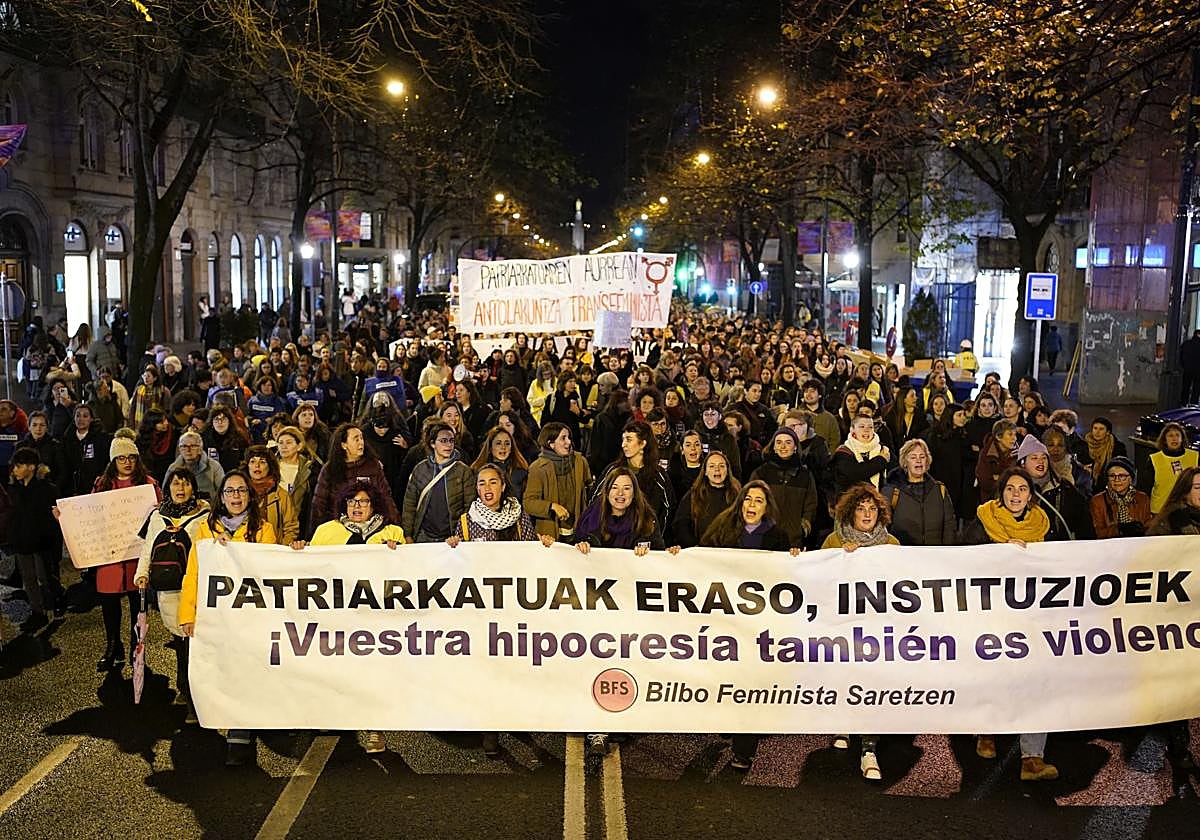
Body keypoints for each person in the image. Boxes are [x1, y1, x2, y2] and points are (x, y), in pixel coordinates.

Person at [961, 467, 1058, 781]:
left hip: (1033, 617)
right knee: (994, 677)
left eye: (1022, 489)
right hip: (992, 616)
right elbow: (962, 565)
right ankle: (987, 733)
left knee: (1036, 681)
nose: (1016, 495)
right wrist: (1001, 554)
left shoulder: (1044, 525)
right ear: (1000, 493)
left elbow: (1061, 565)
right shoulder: (983, 523)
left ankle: (1032, 757)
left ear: (1031, 495)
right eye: (1010, 489)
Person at [698, 479, 799, 771]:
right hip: (727, 620)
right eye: (748, 500)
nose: (751, 506)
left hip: (758, 624)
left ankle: (744, 749)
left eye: (758, 501)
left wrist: (792, 560)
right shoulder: (722, 528)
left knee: (751, 682)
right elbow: (701, 559)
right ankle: (731, 723)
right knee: (728, 677)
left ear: (766, 508)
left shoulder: (778, 537)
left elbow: (785, 578)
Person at [178, 470, 277, 765]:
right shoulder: (205, 531)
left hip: (250, 614)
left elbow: (270, 570)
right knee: (225, 670)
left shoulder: (265, 529)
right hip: (218, 615)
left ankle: (239, 733)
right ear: (221, 498)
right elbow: (193, 574)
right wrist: (188, 613)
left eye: (241, 491)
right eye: (230, 491)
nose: (236, 497)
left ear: (250, 496)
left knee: (246, 670)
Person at [820, 482, 900, 780]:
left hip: (877, 629)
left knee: (873, 684)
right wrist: (840, 560)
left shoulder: (891, 543)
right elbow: (819, 581)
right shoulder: (833, 541)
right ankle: (843, 722)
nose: (867, 514)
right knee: (846, 677)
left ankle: (868, 748)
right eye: (860, 508)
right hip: (843, 626)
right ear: (849, 513)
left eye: (872, 509)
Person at [133, 467, 211, 717]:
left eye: (185, 484)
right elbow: (148, 548)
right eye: (176, 484)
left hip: (196, 586)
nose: (180, 489)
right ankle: (184, 686)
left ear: (193, 487)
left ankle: (196, 693)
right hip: (168, 588)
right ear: (168, 488)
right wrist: (142, 573)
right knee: (180, 641)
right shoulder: (158, 515)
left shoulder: (205, 514)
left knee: (196, 640)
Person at [89, 434, 162, 671]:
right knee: (109, 605)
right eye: (121, 458)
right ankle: (112, 646)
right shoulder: (102, 484)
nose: (127, 463)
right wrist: (65, 518)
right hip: (109, 557)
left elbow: (159, 516)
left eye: (131, 457)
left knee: (137, 605)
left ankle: (135, 646)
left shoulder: (148, 484)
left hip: (136, 556)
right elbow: (87, 516)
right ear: (113, 461)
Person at [4, 447, 61, 631]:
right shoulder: (15, 488)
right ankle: (38, 613)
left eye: (19, 466)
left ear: (31, 466)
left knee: (45, 577)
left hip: (40, 543)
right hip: (21, 541)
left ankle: (55, 602)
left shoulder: (46, 489)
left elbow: (52, 519)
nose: (14, 469)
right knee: (28, 579)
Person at [310, 423, 399, 531]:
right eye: (356, 439)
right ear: (344, 445)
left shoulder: (373, 465)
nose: (361, 442)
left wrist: (396, 525)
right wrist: (315, 533)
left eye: (361, 438)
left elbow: (386, 497)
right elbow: (319, 504)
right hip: (339, 528)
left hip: (371, 527)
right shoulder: (329, 469)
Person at [401, 421, 474, 542]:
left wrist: (460, 535)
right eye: (444, 440)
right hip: (423, 536)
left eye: (451, 441)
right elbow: (409, 505)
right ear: (432, 443)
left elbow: (469, 507)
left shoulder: (463, 471)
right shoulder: (420, 469)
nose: (449, 445)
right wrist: (408, 535)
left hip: (452, 538)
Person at [593, 421, 674, 531]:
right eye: (623, 439)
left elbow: (668, 511)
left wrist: (656, 538)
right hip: (612, 539)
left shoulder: (658, 476)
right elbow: (594, 501)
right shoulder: (613, 471)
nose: (623, 444)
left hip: (646, 540)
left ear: (643, 443)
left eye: (629, 440)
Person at [525, 422, 593, 543]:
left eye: (569, 438)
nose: (568, 442)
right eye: (563, 438)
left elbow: (590, 491)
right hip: (550, 537)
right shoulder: (538, 468)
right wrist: (552, 506)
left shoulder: (580, 462)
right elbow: (528, 503)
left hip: (579, 533)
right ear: (551, 444)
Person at [750, 427, 816, 549]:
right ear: (773, 447)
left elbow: (811, 505)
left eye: (788, 442)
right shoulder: (761, 473)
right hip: (764, 537)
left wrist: (803, 527)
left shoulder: (805, 475)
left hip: (794, 540)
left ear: (795, 446)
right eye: (779, 442)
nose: (783, 446)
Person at [883, 439, 957, 545]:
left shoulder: (940, 490)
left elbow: (949, 525)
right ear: (905, 462)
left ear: (927, 461)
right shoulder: (892, 491)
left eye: (922, 457)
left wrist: (947, 551)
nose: (919, 461)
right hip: (904, 556)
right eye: (913, 457)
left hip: (936, 555)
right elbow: (883, 527)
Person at [670, 451, 740, 549]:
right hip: (700, 553)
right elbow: (681, 524)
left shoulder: (738, 495)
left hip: (730, 552)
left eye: (721, 466)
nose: (717, 469)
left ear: (728, 470)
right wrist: (695, 547)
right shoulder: (694, 494)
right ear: (705, 472)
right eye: (712, 466)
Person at [243, 445, 299, 545]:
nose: (257, 465)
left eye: (262, 462)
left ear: (270, 466)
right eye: (252, 461)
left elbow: (291, 528)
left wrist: (280, 551)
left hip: (273, 550)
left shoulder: (281, 495)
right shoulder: (240, 493)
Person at [1142, 422, 1197, 514]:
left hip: (1188, 510)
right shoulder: (1154, 459)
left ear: (1182, 438)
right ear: (1164, 440)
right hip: (1160, 511)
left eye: (1177, 435)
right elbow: (1145, 487)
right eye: (1170, 435)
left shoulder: (1194, 457)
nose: (1174, 439)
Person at [1090, 456, 1151, 538]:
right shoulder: (1098, 501)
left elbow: (1148, 527)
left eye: (1121, 476)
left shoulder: (1142, 498)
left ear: (1130, 479)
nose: (1116, 479)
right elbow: (1097, 533)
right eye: (1112, 476)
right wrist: (1120, 530)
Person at [830, 414, 890, 498]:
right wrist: (881, 460)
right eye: (862, 426)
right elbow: (856, 474)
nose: (866, 430)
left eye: (870, 427)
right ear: (852, 430)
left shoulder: (882, 449)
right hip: (849, 502)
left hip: (877, 502)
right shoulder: (843, 452)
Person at [471, 427, 529, 502]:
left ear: (511, 448)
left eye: (507, 443)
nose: (503, 447)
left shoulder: (521, 472)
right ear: (490, 447)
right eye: (498, 443)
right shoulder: (477, 471)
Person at [976, 419, 1017, 503]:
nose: (1015, 438)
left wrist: (998, 477)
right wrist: (1007, 479)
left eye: (1015, 434)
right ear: (998, 437)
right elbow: (985, 482)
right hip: (991, 502)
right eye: (1010, 434)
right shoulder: (987, 455)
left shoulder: (1018, 452)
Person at [1181, 329, 1200, 405]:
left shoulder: (1186, 344)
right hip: (1198, 371)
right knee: (1196, 388)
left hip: (1187, 370)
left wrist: (1184, 365)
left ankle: (1183, 402)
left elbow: (1181, 356)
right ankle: (1193, 403)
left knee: (1185, 387)